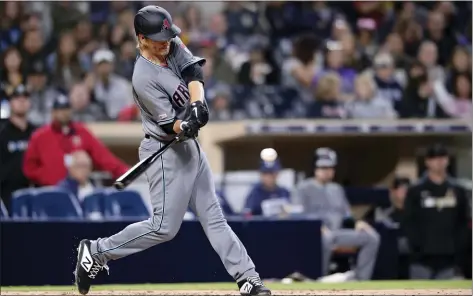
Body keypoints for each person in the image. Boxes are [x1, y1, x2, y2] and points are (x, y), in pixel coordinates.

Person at [74, 6, 271, 296]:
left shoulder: (170, 43)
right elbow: (169, 125)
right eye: (158, 38)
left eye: (167, 35)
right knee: (163, 228)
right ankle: (97, 252)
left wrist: (198, 104)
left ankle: (247, 278)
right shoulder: (143, 77)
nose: (166, 41)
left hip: (189, 148)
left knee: (213, 215)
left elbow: (193, 70)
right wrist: (186, 125)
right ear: (141, 39)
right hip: (166, 151)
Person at [293, 148, 380, 282]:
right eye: (323, 167)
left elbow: (347, 215)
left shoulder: (337, 189)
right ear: (315, 169)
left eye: (330, 168)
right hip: (315, 234)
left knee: (372, 237)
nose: (327, 171)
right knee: (326, 238)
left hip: (337, 232)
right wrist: (316, 227)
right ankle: (319, 280)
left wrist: (357, 222)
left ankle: (361, 280)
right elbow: (298, 214)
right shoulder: (303, 188)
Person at [23, 94, 129, 186]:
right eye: (60, 110)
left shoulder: (81, 132)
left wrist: (123, 171)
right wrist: (49, 177)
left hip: (78, 190)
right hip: (51, 190)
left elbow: (103, 157)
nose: (64, 113)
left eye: (66, 109)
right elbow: (29, 168)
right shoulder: (40, 136)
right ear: (53, 112)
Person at [403, 144, 470, 280]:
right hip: (421, 258)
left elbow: (464, 221)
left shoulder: (458, 191)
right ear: (427, 162)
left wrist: (459, 248)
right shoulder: (415, 191)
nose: (439, 161)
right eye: (434, 158)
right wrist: (416, 247)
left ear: (448, 160)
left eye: (442, 157)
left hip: (450, 258)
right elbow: (408, 221)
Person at [0, 84, 36, 212]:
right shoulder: (2, 134)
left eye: (25, 97)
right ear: (10, 103)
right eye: (17, 98)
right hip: (7, 195)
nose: (21, 101)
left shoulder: (37, 133)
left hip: (34, 194)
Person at [242, 148, 291, 217]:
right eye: (266, 173)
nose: (269, 177)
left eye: (272, 173)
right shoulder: (255, 192)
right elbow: (247, 215)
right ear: (261, 175)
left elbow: (292, 213)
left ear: (277, 174)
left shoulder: (284, 192)